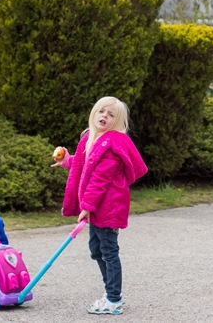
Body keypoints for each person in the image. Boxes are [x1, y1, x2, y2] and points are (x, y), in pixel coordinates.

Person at [53, 96, 148, 315]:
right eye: (101, 112)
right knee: (97, 251)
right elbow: (86, 163)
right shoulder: (93, 138)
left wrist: (86, 206)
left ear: (118, 121)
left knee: (108, 251)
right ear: (94, 113)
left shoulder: (112, 144)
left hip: (108, 207)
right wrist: (68, 161)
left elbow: (99, 179)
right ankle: (111, 294)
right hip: (98, 207)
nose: (105, 116)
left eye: (111, 114)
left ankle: (114, 299)